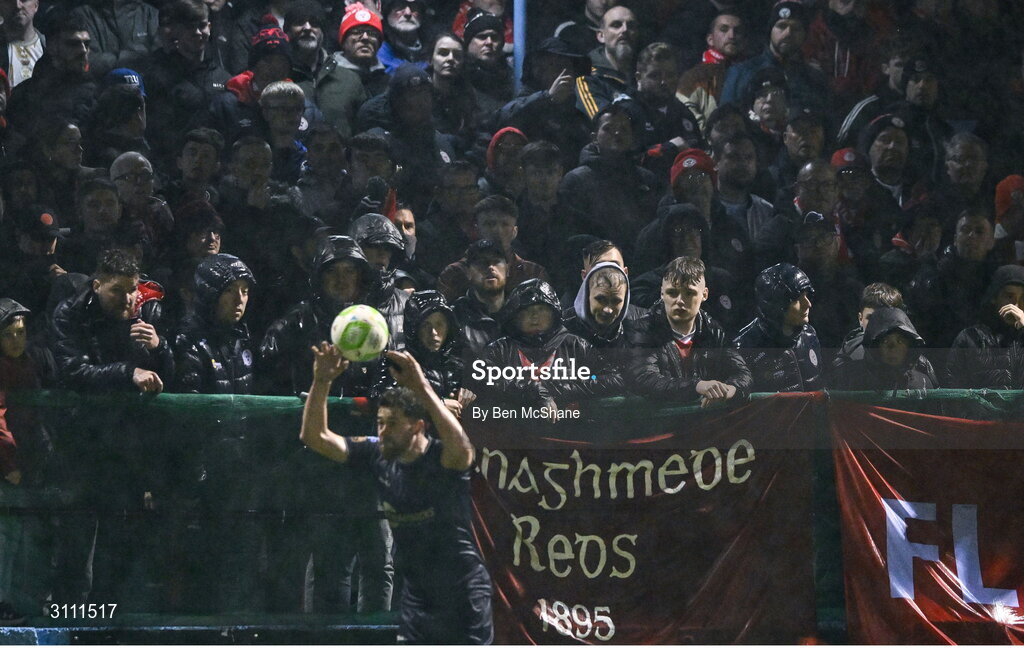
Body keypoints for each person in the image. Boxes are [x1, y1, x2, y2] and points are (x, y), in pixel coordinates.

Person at [299, 345, 493, 644]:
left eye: (392, 424)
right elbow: (316, 437)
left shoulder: (445, 459)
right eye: (380, 423)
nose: (383, 431)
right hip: (417, 599)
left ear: (418, 427)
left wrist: (421, 386)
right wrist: (322, 381)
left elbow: (464, 446)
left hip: (463, 594)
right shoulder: (377, 454)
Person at [626, 256, 751, 405]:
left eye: (689, 293)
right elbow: (644, 378)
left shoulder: (712, 330)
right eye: (672, 293)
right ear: (661, 293)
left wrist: (730, 390)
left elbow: (742, 373)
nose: (680, 300)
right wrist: (697, 386)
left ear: (704, 294)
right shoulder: (642, 329)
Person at [558, 103, 658, 262]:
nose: (617, 133)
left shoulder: (647, 180)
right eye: (608, 128)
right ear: (594, 136)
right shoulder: (576, 180)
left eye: (624, 129)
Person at [142, 0, 230, 168]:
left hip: (215, 168)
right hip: (175, 168)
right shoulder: (158, 77)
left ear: (210, 27)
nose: (197, 32)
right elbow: (158, 133)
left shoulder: (223, 77)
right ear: (176, 31)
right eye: (190, 27)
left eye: (202, 25)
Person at [720, 1, 829, 117]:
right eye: (781, 26)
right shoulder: (741, 73)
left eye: (796, 28)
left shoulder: (814, 78)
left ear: (804, 34)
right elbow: (726, 119)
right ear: (770, 30)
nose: (788, 33)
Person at [437, 194, 549, 301]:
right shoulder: (454, 274)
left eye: (504, 224)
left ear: (514, 232)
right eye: (489, 224)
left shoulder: (532, 274)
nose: (497, 231)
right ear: (476, 230)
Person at [285, 1, 369, 139]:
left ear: (323, 32)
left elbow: (362, 132)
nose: (307, 28)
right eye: (299, 22)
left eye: (315, 23)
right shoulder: (278, 78)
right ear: (287, 32)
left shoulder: (349, 80)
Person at [734, 263, 822, 393]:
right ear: (776, 305)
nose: (808, 304)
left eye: (807, 295)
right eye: (797, 299)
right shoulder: (744, 349)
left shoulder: (809, 334)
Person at [944, 264, 1024, 390]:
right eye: (1009, 296)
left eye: (1023, 298)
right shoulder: (971, 338)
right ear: (994, 297)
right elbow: (953, 389)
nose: (1016, 306)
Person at [831, 306, 937, 390]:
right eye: (885, 341)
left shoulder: (922, 383)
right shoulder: (852, 380)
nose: (892, 348)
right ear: (875, 347)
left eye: (900, 341)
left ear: (909, 346)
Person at [677, 12, 745, 130]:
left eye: (737, 31)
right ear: (710, 39)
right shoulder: (693, 77)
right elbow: (688, 119)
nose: (732, 35)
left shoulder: (754, 73)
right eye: (724, 29)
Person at [573, 4, 639, 120]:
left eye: (631, 26)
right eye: (616, 25)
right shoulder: (588, 77)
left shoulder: (647, 72)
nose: (625, 30)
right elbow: (607, 125)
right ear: (601, 36)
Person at [72, 0, 158, 78]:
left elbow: (158, 59)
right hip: (99, 90)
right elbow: (88, 61)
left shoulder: (150, 14)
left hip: (146, 88)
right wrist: (134, 57)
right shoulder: (83, 15)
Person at [453, 239, 506, 354]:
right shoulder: (455, 317)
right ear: (468, 273)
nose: (490, 267)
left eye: (496, 262)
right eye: (482, 263)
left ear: (508, 269)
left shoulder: (520, 313)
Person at [334, 3, 389, 97]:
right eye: (357, 32)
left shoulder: (388, 83)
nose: (365, 38)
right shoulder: (329, 78)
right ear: (343, 41)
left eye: (372, 33)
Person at [377, 0, 432, 74]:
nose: (408, 13)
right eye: (399, 6)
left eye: (414, 7)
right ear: (387, 12)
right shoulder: (376, 52)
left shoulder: (434, 50)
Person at [0, 0, 43, 88]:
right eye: (10, 1)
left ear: (36, 5)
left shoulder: (51, 47)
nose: (17, 6)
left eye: (24, 0)